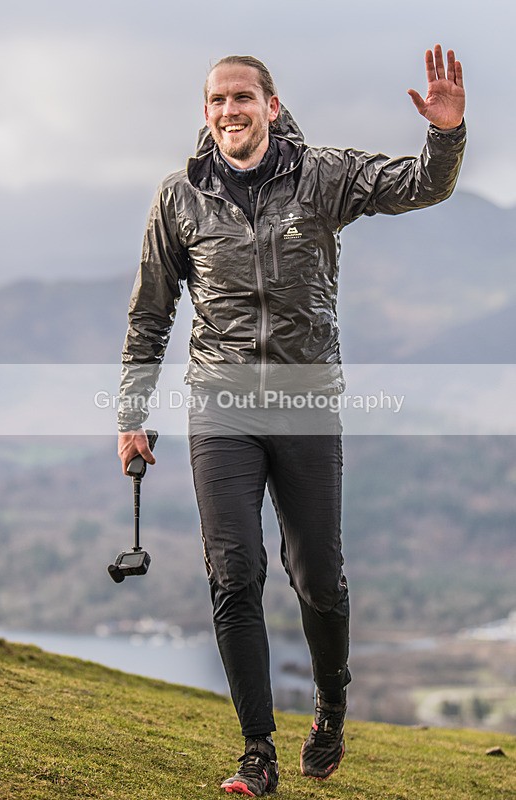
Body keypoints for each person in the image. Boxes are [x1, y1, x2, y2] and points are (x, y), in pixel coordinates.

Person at [118, 46, 465, 796]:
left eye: (243, 98)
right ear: (205, 114)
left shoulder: (324, 174)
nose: (229, 112)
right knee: (234, 571)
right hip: (221, 407)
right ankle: (257, 753)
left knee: (317, 579)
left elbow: (421, 186)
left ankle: (332, 708)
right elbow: (151, 311)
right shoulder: (179, 197)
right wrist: (132, 413)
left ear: (271, 107)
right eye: (216, 101)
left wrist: (445, 135)